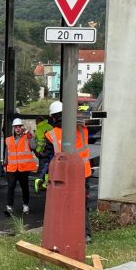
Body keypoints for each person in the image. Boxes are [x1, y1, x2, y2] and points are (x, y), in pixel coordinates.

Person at [37, 101, 93, 242]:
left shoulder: (51, 135)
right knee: (82, 205)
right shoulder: (81, 128)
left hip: (65, 177)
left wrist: (39, 176)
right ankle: (85, 235)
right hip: (84, 174)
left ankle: (66, 233)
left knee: (63, 204)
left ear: (53, 118)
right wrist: (81, 109)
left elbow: (46, 159)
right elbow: (92, 114)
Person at [3, 118, 37, 217]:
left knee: (24, 187)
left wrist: (30, 135)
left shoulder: (27, 137)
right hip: (12, 168)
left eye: (19, 127)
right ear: (13, 128)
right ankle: (9, 207)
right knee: (11, 187)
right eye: (16, 127)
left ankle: (25, 205)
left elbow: (34, 146)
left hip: (23, 168)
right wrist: (5, 164)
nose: (17, 129)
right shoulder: (8, 140)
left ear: (22, 128)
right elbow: (7, 153)